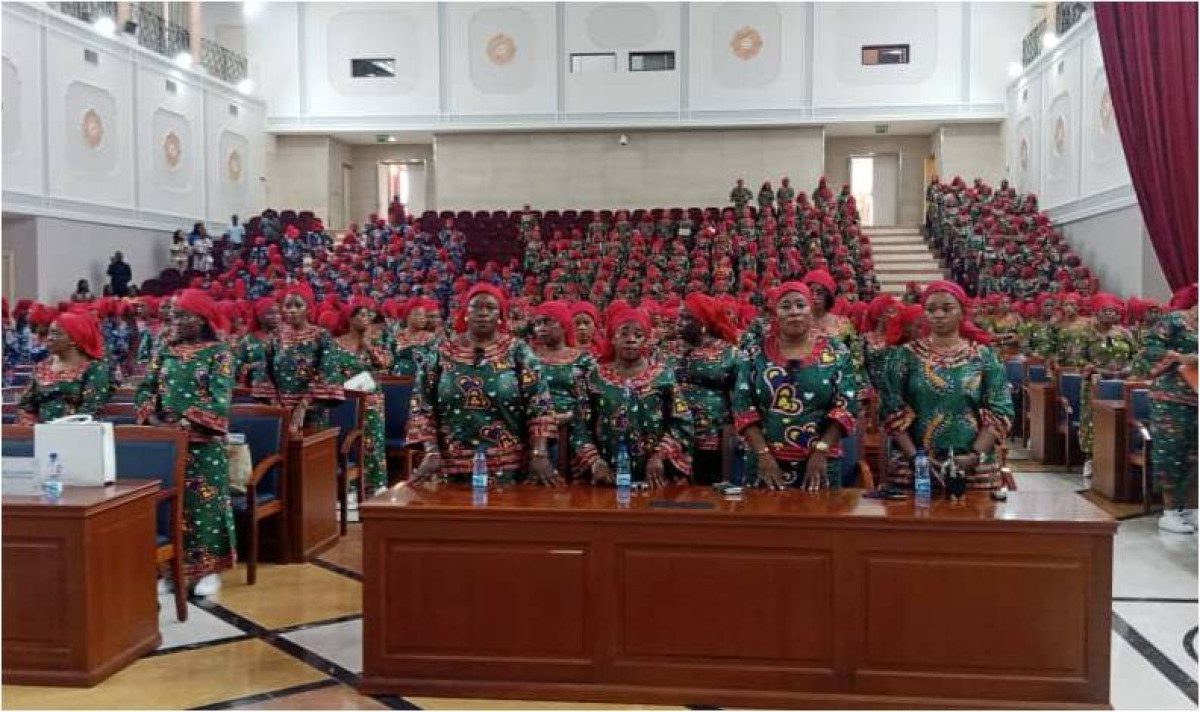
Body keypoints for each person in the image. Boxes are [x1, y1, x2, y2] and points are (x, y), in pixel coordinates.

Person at [134, 289, 236, 597]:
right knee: (170, 510)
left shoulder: (219, 353)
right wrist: (154, 419)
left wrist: (183, 421)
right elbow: (145, 389)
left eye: (182, 316)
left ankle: (208, 570)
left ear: (201, 319)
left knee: (203, 508)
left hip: (202, 445)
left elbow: (220, 401)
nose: (175, 321)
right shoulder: (166, 349)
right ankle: (171, 570)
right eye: (174, 316)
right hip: (166, 444)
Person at [407, 283, 559, 485]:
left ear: (500, 316)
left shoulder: (518, 351)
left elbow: (540, 405)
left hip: (509, 468)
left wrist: (539, 452)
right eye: (476, 307)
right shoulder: (442, 352)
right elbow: (421, 406)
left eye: (490, 308)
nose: (483, 313)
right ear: (466, 314)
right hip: (449, 467)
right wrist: (431, 451)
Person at [880, 281, 1014, 491]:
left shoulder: (983, 356)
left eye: (947, 308)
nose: (938, 315)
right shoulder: (904, 356)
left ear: (962, 312)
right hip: (914, 470)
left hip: (975, 471)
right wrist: (916, 459)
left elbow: (1000, 410)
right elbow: (891, 409)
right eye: (931, 309)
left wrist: (973, 456)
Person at [733, 282, 858, 491]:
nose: (794, 312)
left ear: (811, 309)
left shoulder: (836, 351)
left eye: (801, 305)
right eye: (786, 306)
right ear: (775, 313)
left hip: (820, 464)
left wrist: (821, 451)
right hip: (765, 464)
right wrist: (763, 454)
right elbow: (742, 405)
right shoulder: (755, 353)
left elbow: (846, 405)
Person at [572, 306, 693, 486]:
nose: (631, 339)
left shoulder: (663, 375)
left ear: (646, 340)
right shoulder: (593, 377)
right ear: (612, 338)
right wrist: (595, 462)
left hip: (655, 476)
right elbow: (580, 426)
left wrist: (660, 456)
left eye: (638, 335)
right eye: (624, 334)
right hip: (607, 475)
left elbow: (682, 421)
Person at [1137, 284, 1198, 534]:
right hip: (1171, 397)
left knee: (1196, 455)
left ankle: (1192, 509)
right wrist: (1179, 357)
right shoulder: (1175, 320)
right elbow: (1150, 350)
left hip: (1197, 396)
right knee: (1171, 453)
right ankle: (1170, 511)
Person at [252, 290, 344, 433]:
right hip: (279, 410)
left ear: (308, 309)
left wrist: (304, 404)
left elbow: (328, 372)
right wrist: (275, 403)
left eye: (298, 306)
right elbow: (264, 372)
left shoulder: (321, 336)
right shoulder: (275, 337)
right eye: (288, 306)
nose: (292, 310)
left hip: (312, 411)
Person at [326, 299, 393, 492]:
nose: (367, 318)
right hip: (345, 400)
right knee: (347, 442)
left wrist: (369, 347)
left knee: (373, 443)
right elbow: (331, 371)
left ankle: (375, 485)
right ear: (350, 318)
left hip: (372, 401)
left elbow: (386, 363)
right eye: (362, 314)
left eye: (369, 314)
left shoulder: (377, 342)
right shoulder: (336, 344)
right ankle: (350, 487)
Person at [674, 293, 741, 485]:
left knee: (708, 491)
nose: (679, 323)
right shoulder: (667, 350)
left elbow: (738, 400)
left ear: (703, 323)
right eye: (679, 317)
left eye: (687, 318)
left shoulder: (729, 353)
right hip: (675, 437)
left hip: (713, 437)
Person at [1078, 293, 1137, 480]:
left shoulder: (1124, 333)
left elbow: (1136, 355)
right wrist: (1094, 368)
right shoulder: (1086, 333)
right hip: (1096, 382)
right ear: (1096, 312)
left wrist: (1129, 369)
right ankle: (1090, 458)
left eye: (1113, 311)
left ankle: (1118, 458)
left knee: (1121, 417)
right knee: (1093, 420)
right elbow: (1078, 359)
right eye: (1106, 310)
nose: (1110, 314)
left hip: (1123, 381)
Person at [531, 301, 595, 471]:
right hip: (535, 434)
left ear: (565, 325)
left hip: (573, 432)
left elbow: (592, 400)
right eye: (538, 323)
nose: (541, 328)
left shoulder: (583, 359)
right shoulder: (528, 358)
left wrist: (569, 416)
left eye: (548, 322)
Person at [16, 312, 112, 424]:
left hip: (79, 430)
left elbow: (91, 409)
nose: (49, 338)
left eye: (56, 333)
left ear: (74, 339)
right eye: (49, 333)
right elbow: (26, 405)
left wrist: (60, 428)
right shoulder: (42, 367)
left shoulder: (94, 368)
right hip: (40, 430)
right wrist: (31, 425)